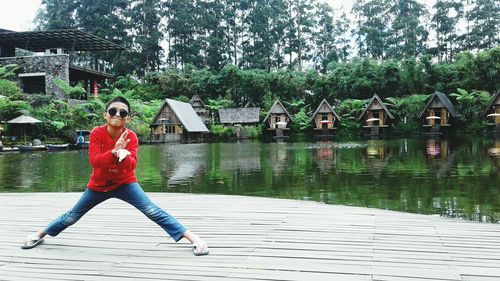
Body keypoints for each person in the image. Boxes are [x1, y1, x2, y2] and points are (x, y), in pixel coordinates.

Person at [21, 96, 209, 256]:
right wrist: (114, 152)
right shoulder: (97, 133)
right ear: (106, 115)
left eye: (123, 113)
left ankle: (194, 238)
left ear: (128, 118)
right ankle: (39, 234)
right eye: (113, 111)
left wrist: (124, 155)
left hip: (124, 183)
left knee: (152, 210)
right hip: (98, 186)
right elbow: (95, 162)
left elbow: (132, 165)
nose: (117, 115)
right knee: (72, 216)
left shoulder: (131, 137)